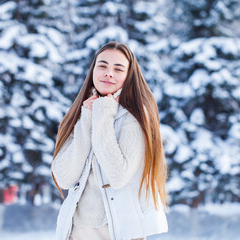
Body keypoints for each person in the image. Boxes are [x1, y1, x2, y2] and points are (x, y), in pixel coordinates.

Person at [51, 41, 168, 240]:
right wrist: (87, 120)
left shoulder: (136, 117)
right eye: (102, 66)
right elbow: (64, 178)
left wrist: (103, 114)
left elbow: (118, 176)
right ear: (93, 70)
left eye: (118, 69)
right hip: (75, 231)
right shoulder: (82, 113)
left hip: (117, 231)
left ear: (129, 76)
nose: (109, 73)